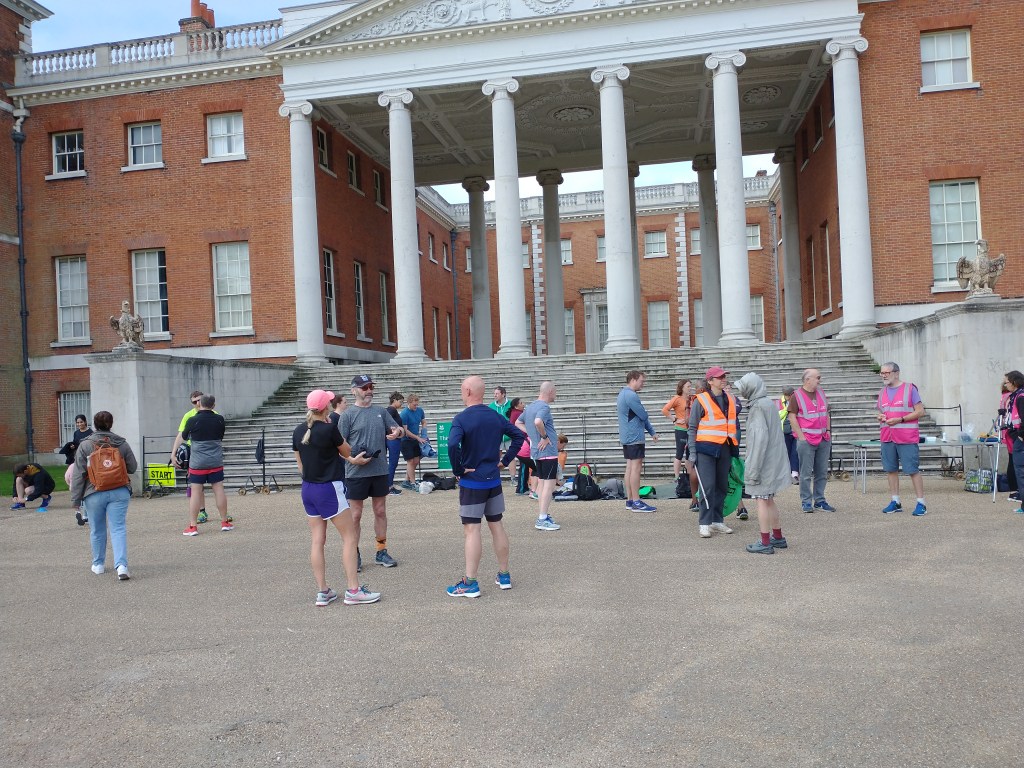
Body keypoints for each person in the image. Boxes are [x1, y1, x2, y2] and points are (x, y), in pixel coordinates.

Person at [293, 389, 380, 606]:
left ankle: (323, 591)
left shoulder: (298, 430)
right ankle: (353, 590)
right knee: (349, 538)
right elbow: (347, 451)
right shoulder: (329, 428)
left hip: (308, 488)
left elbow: (300, 465)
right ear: (326, 407)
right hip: (329, 487)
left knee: (317, 540)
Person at [445, 375, 526, 597]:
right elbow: (519, 437)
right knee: (496, 525)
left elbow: (452, 444)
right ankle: (504, 574)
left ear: (468, 392)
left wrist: (458, 469)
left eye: (462, 390)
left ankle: (470, 582)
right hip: (493, 479)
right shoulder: (495, 416)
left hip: (473, 481)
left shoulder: (461, 418)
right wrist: (505, 461)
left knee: (472, 530)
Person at [339, 374, 405, 569]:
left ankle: (381, 551)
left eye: (371, 387)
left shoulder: (380, 411)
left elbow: (398, 429)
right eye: (364, 387)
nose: (369, 391)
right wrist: (352, 459)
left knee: (380, 510)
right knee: (355, 515)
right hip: (355, 471)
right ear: (354, 391)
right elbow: (338, 446)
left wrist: (397, 432)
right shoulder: (347, 415)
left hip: (379, 469)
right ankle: (354, 552)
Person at [71, 411, 138, 579]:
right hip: (119, 490)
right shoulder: (121, 443)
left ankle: (98, 564)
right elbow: (132, 467)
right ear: (111, 424)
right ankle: (121, 566)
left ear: (94, 424)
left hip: (94, 491)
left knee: (97, 529)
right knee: (118, 528)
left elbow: (78, 474)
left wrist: (76, 499)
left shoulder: (85, 445)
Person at [734, 373, 792, 555]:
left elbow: (759, 441)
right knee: (769, 499)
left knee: (761, 500)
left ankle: (765, 541)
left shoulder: (758, 407)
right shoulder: (768, 403)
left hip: (764, 463)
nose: (741, 392)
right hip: (773, 460)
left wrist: (752, 470)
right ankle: (778, 536)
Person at [688, 366, 738, 539]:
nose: (723, 379)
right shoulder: (700, 400)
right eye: (720, 377)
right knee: (707, 487)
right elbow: (692, 428)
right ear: (710, 381)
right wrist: (692, 453)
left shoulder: (730, 398)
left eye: (724, 376)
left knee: (722, 486)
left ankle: (717, 520)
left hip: (724, 447)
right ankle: (704, 523)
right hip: (705, 449)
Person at [877, 362, 927, 516]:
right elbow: (883, 411)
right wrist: (881, 417)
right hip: (887, 436)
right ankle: (895, 501)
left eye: (886, 372)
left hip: (906, 437)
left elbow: (920, 411)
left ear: (896, 373)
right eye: (882, 373)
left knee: (912, 470)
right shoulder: (882, 392)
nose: (883, 375)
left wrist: (901, 419)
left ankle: (921, 503)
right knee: (891, 469)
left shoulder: (910, 389)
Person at [181, 394, 232, 536]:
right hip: (215, 460)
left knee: (196, 492)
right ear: (213, 405)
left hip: (197, 462)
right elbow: (221, 436)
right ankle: (224, 522)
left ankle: (193, 526)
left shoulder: (192, 420)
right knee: (219, 490)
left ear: (200, 404)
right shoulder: (219, 419)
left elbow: (184, 436)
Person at [789, 368, 837, 513]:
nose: (820, 380)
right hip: (807, 440)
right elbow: (792, 417)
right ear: (807, 380)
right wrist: (801, 437)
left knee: (821, 472)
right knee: (805, 474)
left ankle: (819, 500)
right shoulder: (796, 396)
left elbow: (826, 413)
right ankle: (806, 502)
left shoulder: (821, 393)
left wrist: (828, 431)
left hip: (823, 438)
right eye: (818, 377)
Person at [517, 381, 561, 531]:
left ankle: (543, 515)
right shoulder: (544, 407)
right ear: (550, 392)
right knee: (549, 485)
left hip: (537, 451)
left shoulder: (530, 406)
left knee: (542, 484)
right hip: (547, 451)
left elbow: (518, 422)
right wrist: (544, 437)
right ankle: (542, 518)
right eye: (555, 392)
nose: (555, 395)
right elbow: (537, 421)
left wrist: (532, 435)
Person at [617, 370, 659, 512]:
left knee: (630, 467)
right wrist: (651, 430)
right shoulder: (631, 395)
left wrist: (651, 431)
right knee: (636, 467)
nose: (643, 384)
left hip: (627, 435)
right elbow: (643, 415)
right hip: (634, 436)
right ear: (633, 380)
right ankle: (636, 501)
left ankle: (630, 500)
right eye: (641, 381)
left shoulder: (622, 394)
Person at [171, 390, 208, 524]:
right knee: (197, 485)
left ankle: (223, 513)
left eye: (199, 400)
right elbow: (181, 435)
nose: (197, 403)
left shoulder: (213, 413)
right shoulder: (188, 415)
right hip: (194, 452)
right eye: (194, 402)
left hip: (208, 451)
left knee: (217, 484)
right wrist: (173, 453)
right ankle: (202, 511)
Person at [662, 379, 698, 499]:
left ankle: (688, 476)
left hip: (691, 429)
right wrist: (675, 419)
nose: (690, 388)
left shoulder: (692, 398)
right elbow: (665, 409)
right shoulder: (677, 399)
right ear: (682, 387)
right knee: (679, 452)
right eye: (688, 386)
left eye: (691, 386)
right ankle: (677, 476)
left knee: (689, 453)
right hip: (680, 429)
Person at [998, 372, 1023, 504]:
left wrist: (1020, 435)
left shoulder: (1019, 396)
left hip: (1018, 435)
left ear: (1014, 382)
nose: (1005, 384)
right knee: (1016, 465)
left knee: (1019, 467)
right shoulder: (1013, 396)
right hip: (1013, 433)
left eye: (1007, 382)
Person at [399, 393, 428, 491]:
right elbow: (405, 431)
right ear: (409, 403)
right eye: (414, 405)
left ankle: (406, 480)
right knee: (410, 461)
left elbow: (423, 422)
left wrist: (424, 433)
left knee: (416, 460)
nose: (416, 406)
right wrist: (417, 438)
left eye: (417, 404)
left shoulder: (420, 410)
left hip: (416, 438)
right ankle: (412, 482)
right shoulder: (404, 413)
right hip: (406, 440)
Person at [775, 386, 800, 485]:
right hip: (784, 431)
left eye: (790, 395)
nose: (788, 397)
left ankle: (794, 474)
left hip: (796, 430)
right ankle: (786, 474)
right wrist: (787, 409)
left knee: (795, 452)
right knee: (786, 452)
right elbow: (777, 415)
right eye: (787, 395)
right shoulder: (778, 402)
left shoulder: (798, 401)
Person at [385, 392, 405, 496]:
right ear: (394, 400)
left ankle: (389, 485)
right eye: (400, 401)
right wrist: (393, 432)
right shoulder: (391, 410)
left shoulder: (392, 410)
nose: (401, 404)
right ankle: (389, 486)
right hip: (393, 439)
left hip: (392, 438)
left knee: (392, 463)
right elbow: (387, 423)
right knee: (393, 463)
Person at [507, 397, 525, 485]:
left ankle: (522, 484)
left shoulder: (515, 413)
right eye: (521, 403)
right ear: (516, 406)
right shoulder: (518, 414)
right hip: (522, 439)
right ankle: (522, 485)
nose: (523, 404)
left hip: (518, 439)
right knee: (524, 462)